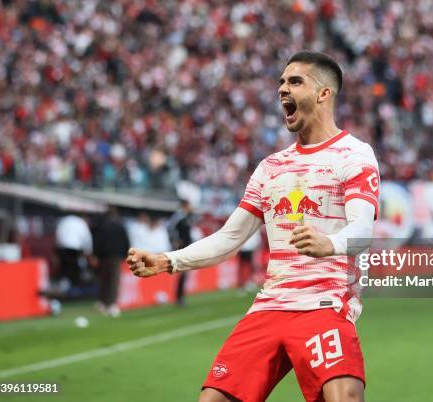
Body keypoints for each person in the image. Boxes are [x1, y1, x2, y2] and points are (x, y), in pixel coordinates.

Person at [127, 51, 379, 402]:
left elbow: (363, 230)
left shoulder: (353, 155)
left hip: (323, 305)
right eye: (280, 82)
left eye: (295, 81)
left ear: (324, 94)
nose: (282, 89)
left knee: (344, 397)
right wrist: (168, 260)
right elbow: (231, 237)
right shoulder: (271, 167)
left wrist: (330, 244)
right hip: (269, 307)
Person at [93, 205, 130, 317]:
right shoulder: (121, 226)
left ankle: (102, 302)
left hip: (104, 257)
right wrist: (125, 255)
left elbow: (97, 242)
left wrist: (96, 255)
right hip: (116, 257)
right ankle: (111, 304)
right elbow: (126, 242)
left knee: (104, 280)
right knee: (113, 281)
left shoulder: (103, 226)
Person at [167, 199, 196, 305]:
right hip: (181, 248)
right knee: (181, 273)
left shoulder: (186, 217)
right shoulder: (178, 217)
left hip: (187, 247)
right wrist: (175, 241)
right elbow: (170, 229)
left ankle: (181, 296)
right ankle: (178, 297)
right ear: (185, 205)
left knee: (184, 274)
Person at [55, 212, 93, 290]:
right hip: (75, 249)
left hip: (62, 247)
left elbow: (57, 234)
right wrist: (89, 251)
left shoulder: (64, 220)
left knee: (64, 268)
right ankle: (75, 288)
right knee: (75, 268)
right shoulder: (81, 222)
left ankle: (64, 288)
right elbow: (87, 238)